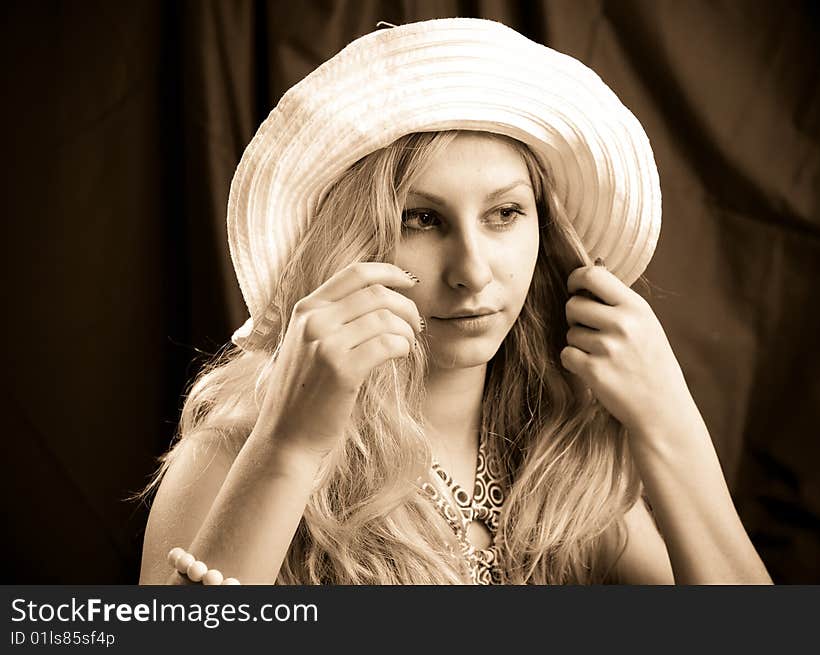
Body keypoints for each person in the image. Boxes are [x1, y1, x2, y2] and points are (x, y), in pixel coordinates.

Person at [138, 18, 772, 585]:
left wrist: (670, 422)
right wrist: (289, 448)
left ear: (543, 230)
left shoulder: (559, 455)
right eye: (421, 219)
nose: (471, 272)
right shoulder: (233, 451)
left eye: (504, 213)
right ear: (352, 246)